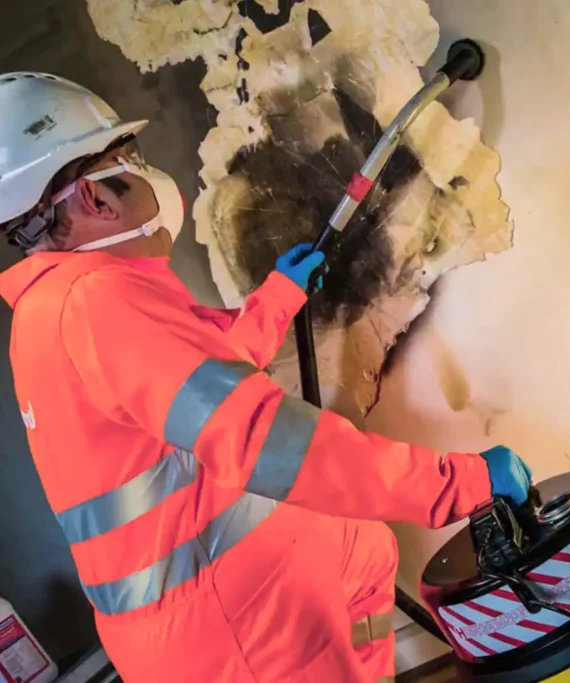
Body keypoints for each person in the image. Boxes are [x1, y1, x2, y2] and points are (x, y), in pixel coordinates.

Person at [0, 73, 532, 683]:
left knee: (366, 552)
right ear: (96, 199)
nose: (146, 172)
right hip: (227, 627)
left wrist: (275, 299)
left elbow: (195, 385)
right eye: (127, 158)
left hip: (210, 588)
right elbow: (271, 443)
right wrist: (458, 483)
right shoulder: (98, 306)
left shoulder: (59, 307)